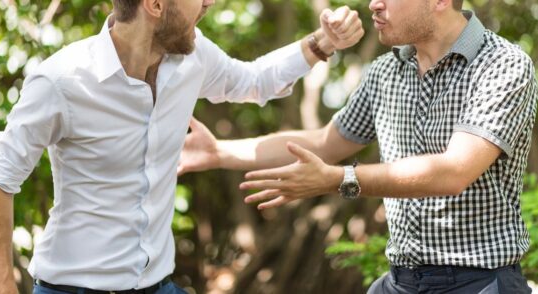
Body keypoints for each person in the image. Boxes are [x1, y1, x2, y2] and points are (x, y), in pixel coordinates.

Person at [0, 0, 365, 293]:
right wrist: (1, 287)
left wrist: (323, 42)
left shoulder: (192, 58)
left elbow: (255, 81)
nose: (209, 3)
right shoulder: (61, 81)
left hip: (158, 284)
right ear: (156, 5)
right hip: (72, 287)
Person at [178, 0, 538, 292]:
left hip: (480, 282)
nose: (373, 5)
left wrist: (339, 179)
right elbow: (326, 143)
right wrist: (219, 152)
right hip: (400, 280)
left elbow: (455, 171)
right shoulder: (385, 71)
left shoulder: (502, 65)